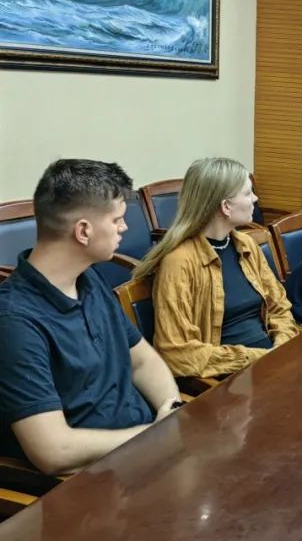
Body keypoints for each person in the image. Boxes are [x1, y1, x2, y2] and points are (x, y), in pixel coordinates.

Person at [0, 160, 181, 475]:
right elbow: (53, 451)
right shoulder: (14, 320)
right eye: (117, 220)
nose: (124, 228)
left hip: (147, 450)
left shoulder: (90, 279)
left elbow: (141, 361)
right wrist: (153, 436)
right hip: (95, 479)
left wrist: (172, 411)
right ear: (83, 231)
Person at [133, 158, 299, 379]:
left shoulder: (246, 244)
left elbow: (278, 306)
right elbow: (176, 351)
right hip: (227, 375)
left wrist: (281, 345)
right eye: (248, 193)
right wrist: (258, 357)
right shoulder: (179, 262)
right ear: (226, 207)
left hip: (271, 361)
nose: (255, 199)